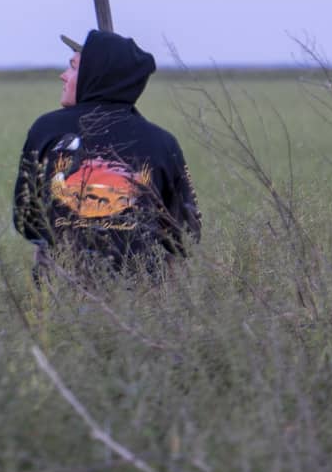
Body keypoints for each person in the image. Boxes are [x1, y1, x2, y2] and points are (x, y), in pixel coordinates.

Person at [13, 29, 201, 283]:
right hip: (143, 297)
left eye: (72, 67)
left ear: (94, 74)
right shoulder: (162, 142)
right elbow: (186, 234)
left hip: (60, 286)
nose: (63, 75)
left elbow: (27, 219)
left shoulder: (47, 130)